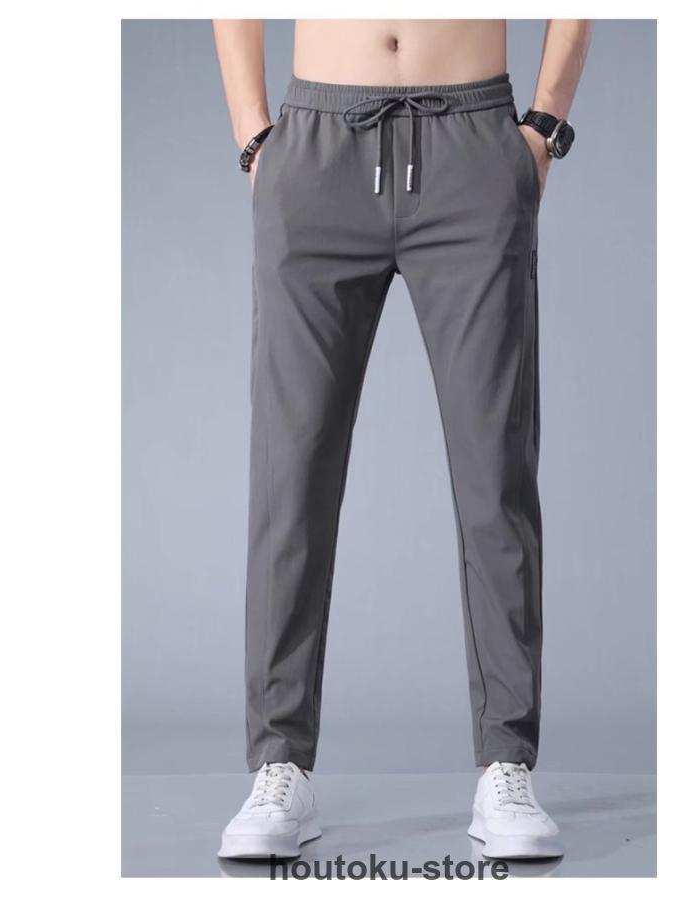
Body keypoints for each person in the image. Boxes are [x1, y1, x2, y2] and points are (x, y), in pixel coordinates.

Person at [212, 18, 591, 861]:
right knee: (290, 475)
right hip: (317, 147)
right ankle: (278, 763)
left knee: (495, 470)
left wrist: (543, 125)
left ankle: (506, 763)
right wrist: (254, 139)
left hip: (472, 144)